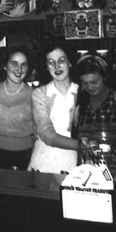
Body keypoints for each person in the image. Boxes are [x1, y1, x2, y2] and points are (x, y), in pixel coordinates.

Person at [27, 42, 80, 174]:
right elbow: (46, 134)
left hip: (73, 164)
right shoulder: (40, 93)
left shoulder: (82, 92)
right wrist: (83, 145)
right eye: (51, 62)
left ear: (70, 62)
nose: (57, 66)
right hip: (44, 163)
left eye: (61, 60)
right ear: (46, 67)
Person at [74, 51, 116, 134]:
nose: (89, 87)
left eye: (94, 82)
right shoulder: (80, 103)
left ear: (105, 77)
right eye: (84, 83)